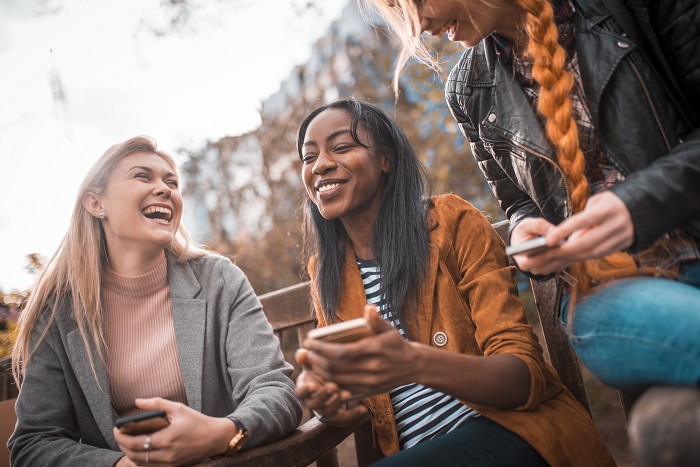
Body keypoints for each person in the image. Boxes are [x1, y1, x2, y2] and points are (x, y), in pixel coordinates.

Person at [358, 0, 700, 462]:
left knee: (668, 430)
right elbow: (517, 201)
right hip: (607, 293)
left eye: (414, 3)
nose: (419, 27)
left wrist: (637, 206)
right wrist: (523, 232)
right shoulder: (467, 88)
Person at [294, 97, 615, 466]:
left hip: (515, 432)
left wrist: (414, 362)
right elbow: (357, 408)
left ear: (386, 159)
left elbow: (523, 379)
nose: (319, 166)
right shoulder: (326, 273)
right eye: (308, 157)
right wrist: (328, 401)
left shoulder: (451, 222)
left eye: (341, 147)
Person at [8, 136, 302, 466]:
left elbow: (276, 391)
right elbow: (34, 443)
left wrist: (219, 434)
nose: (165, 189)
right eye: (142, 176)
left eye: (171, 182)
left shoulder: (220, 280)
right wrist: (121, 466)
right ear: (95, 203)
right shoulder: (58, 314)